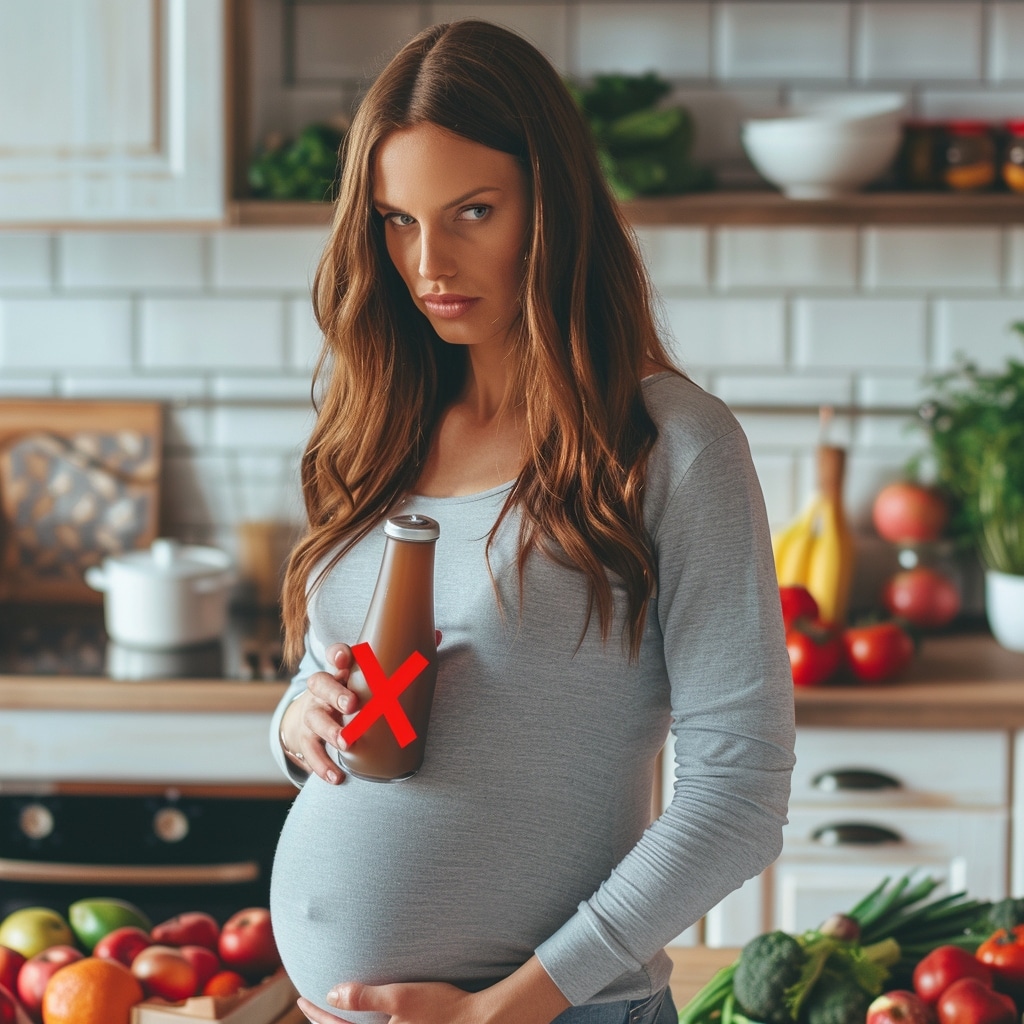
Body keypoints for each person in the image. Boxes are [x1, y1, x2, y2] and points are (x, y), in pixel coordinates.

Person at [268, 18, 795, 1024]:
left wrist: (500, 1007)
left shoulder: (666, 445)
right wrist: (297, 723)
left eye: (472, 210)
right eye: (396, 219)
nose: (429, 262)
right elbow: (328, 675)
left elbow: (738, 802)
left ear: (551, 210)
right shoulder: (378, 426)